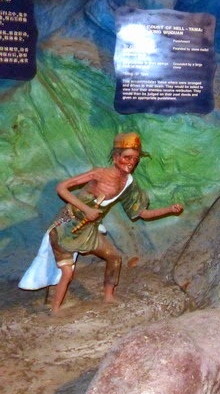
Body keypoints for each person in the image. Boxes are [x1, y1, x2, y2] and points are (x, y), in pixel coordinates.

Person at [18, 132, 183, 313]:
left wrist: (169, 209)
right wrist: (86, 209)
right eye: (127, 157)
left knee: (114, 257)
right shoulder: (99, 174)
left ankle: (108, 296)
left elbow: (142, 213)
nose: (131, 162)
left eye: (135, 159)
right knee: (67, 272)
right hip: (67, 227)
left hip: (89, 230)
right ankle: (55, 310)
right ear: (116, 157)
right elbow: (62, 187)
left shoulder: (128, 184)